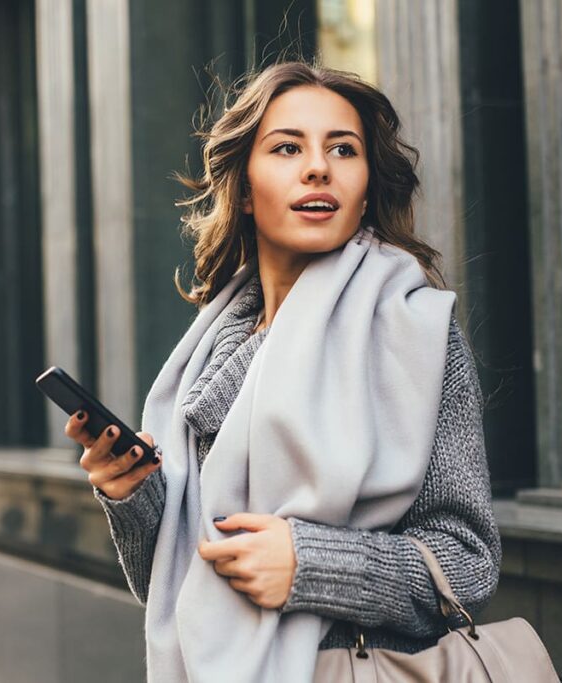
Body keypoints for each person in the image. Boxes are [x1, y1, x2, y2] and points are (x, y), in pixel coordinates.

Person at [65, 61, 500, 682]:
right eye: (288, 147)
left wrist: (309, 565)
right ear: (244, 189)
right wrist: (131, 492)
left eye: (342, 149)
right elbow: (169, 582)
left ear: (367, 184)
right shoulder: (210, 352)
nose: (318, 166)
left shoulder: (416, 332)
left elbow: (467, 565)